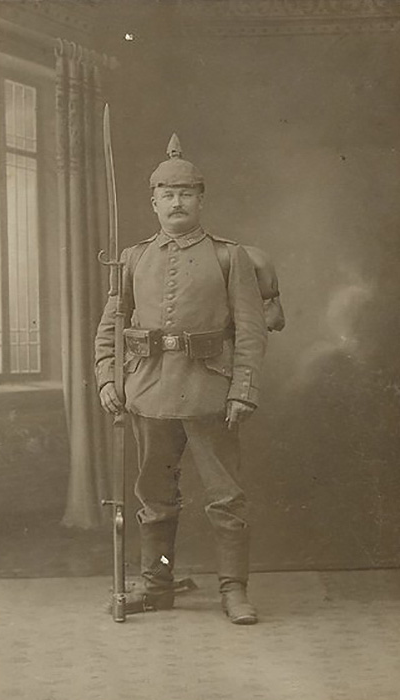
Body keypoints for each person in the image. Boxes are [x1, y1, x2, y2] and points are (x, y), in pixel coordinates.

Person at [95, 135, 268, 624]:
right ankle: (158, 585)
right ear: (153, 202)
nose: (177, 202)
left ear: (201, 200)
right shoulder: (133, 258)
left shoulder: (229, 257)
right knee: (155, 498)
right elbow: (110, 326)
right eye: (167, 194)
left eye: (186, 194)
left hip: (211, 393)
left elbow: (251, 331)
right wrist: (107, 377)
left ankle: (233, 590)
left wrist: (243, 389)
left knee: (226, 498)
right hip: (148, 393)